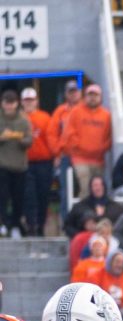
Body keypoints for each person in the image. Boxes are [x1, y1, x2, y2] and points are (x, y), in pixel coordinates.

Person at [61, 85, 112, 198]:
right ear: (85, 96)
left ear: (101, 97)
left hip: (98, 159)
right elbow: (69, 132)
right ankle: (84, 214)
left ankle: (97, 213)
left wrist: (102, 148)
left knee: (99, 189)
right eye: (90, 95)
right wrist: (78, 145)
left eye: (96, 95)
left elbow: (109, 136)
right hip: (80, 158)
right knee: (85, 187)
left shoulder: (106, 115)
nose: (93, 98)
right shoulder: (76, 112)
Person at [20, 88, 52, 237]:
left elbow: (51, 138)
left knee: (43, 195)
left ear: (36, 101)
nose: (29, 103)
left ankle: (41, 226)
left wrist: (56, 155)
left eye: (31, 100)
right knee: (29, 195)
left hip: (44, 162)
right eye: (26, 100)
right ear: (22, 102)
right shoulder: (18, 118)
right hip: (24, 163)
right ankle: (31, 226)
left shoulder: (45, 117)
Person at [0, 90, 31, 238]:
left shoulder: (24, 121)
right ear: (2, 103)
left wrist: (20, 139)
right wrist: (3, 138)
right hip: (2, 165)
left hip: (19, 166)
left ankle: (15, 225)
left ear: (16, 103)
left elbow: (29, 141)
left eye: (12, 103)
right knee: (2, 197)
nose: (9, 106)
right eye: (7, 103)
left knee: (18, 198)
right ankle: (4, 224)